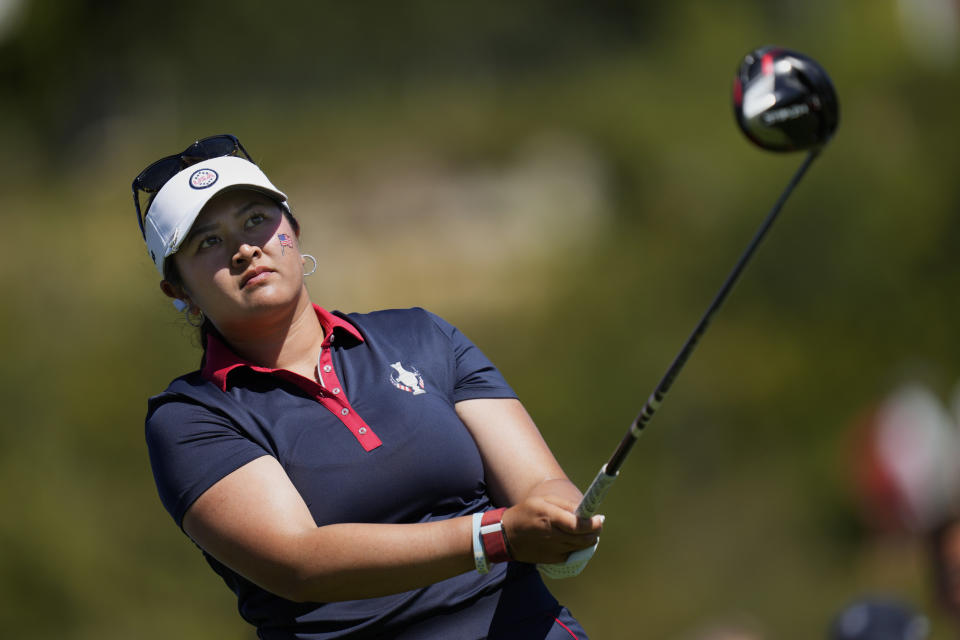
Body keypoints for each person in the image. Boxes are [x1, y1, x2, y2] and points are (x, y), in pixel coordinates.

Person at [134, 135, 604, 639]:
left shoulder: (422, 335)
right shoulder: (191, 418)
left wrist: (559, 519)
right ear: (179, 290)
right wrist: (494, 535)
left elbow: (538, 482)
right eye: (209, 242)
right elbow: (298, 562)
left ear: (294, 229)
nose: (246, 249)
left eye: (256, 220)